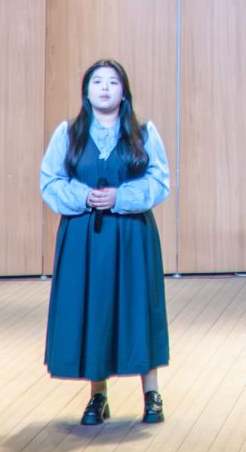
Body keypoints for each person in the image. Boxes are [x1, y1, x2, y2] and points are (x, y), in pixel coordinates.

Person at [40, 59, 172, 426]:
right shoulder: (68, 134)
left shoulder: (143, 134)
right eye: (97, 82)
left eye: (112, 82)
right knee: (94, 308)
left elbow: (159, 180)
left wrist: (120, 197)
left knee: (137, 306)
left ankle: (151, 393)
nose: (104, 88)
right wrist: (83, 196)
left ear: (124, 92)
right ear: (86, 91)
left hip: (131, 236)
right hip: (85, 238)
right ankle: (98, 395)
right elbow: (50, 181)